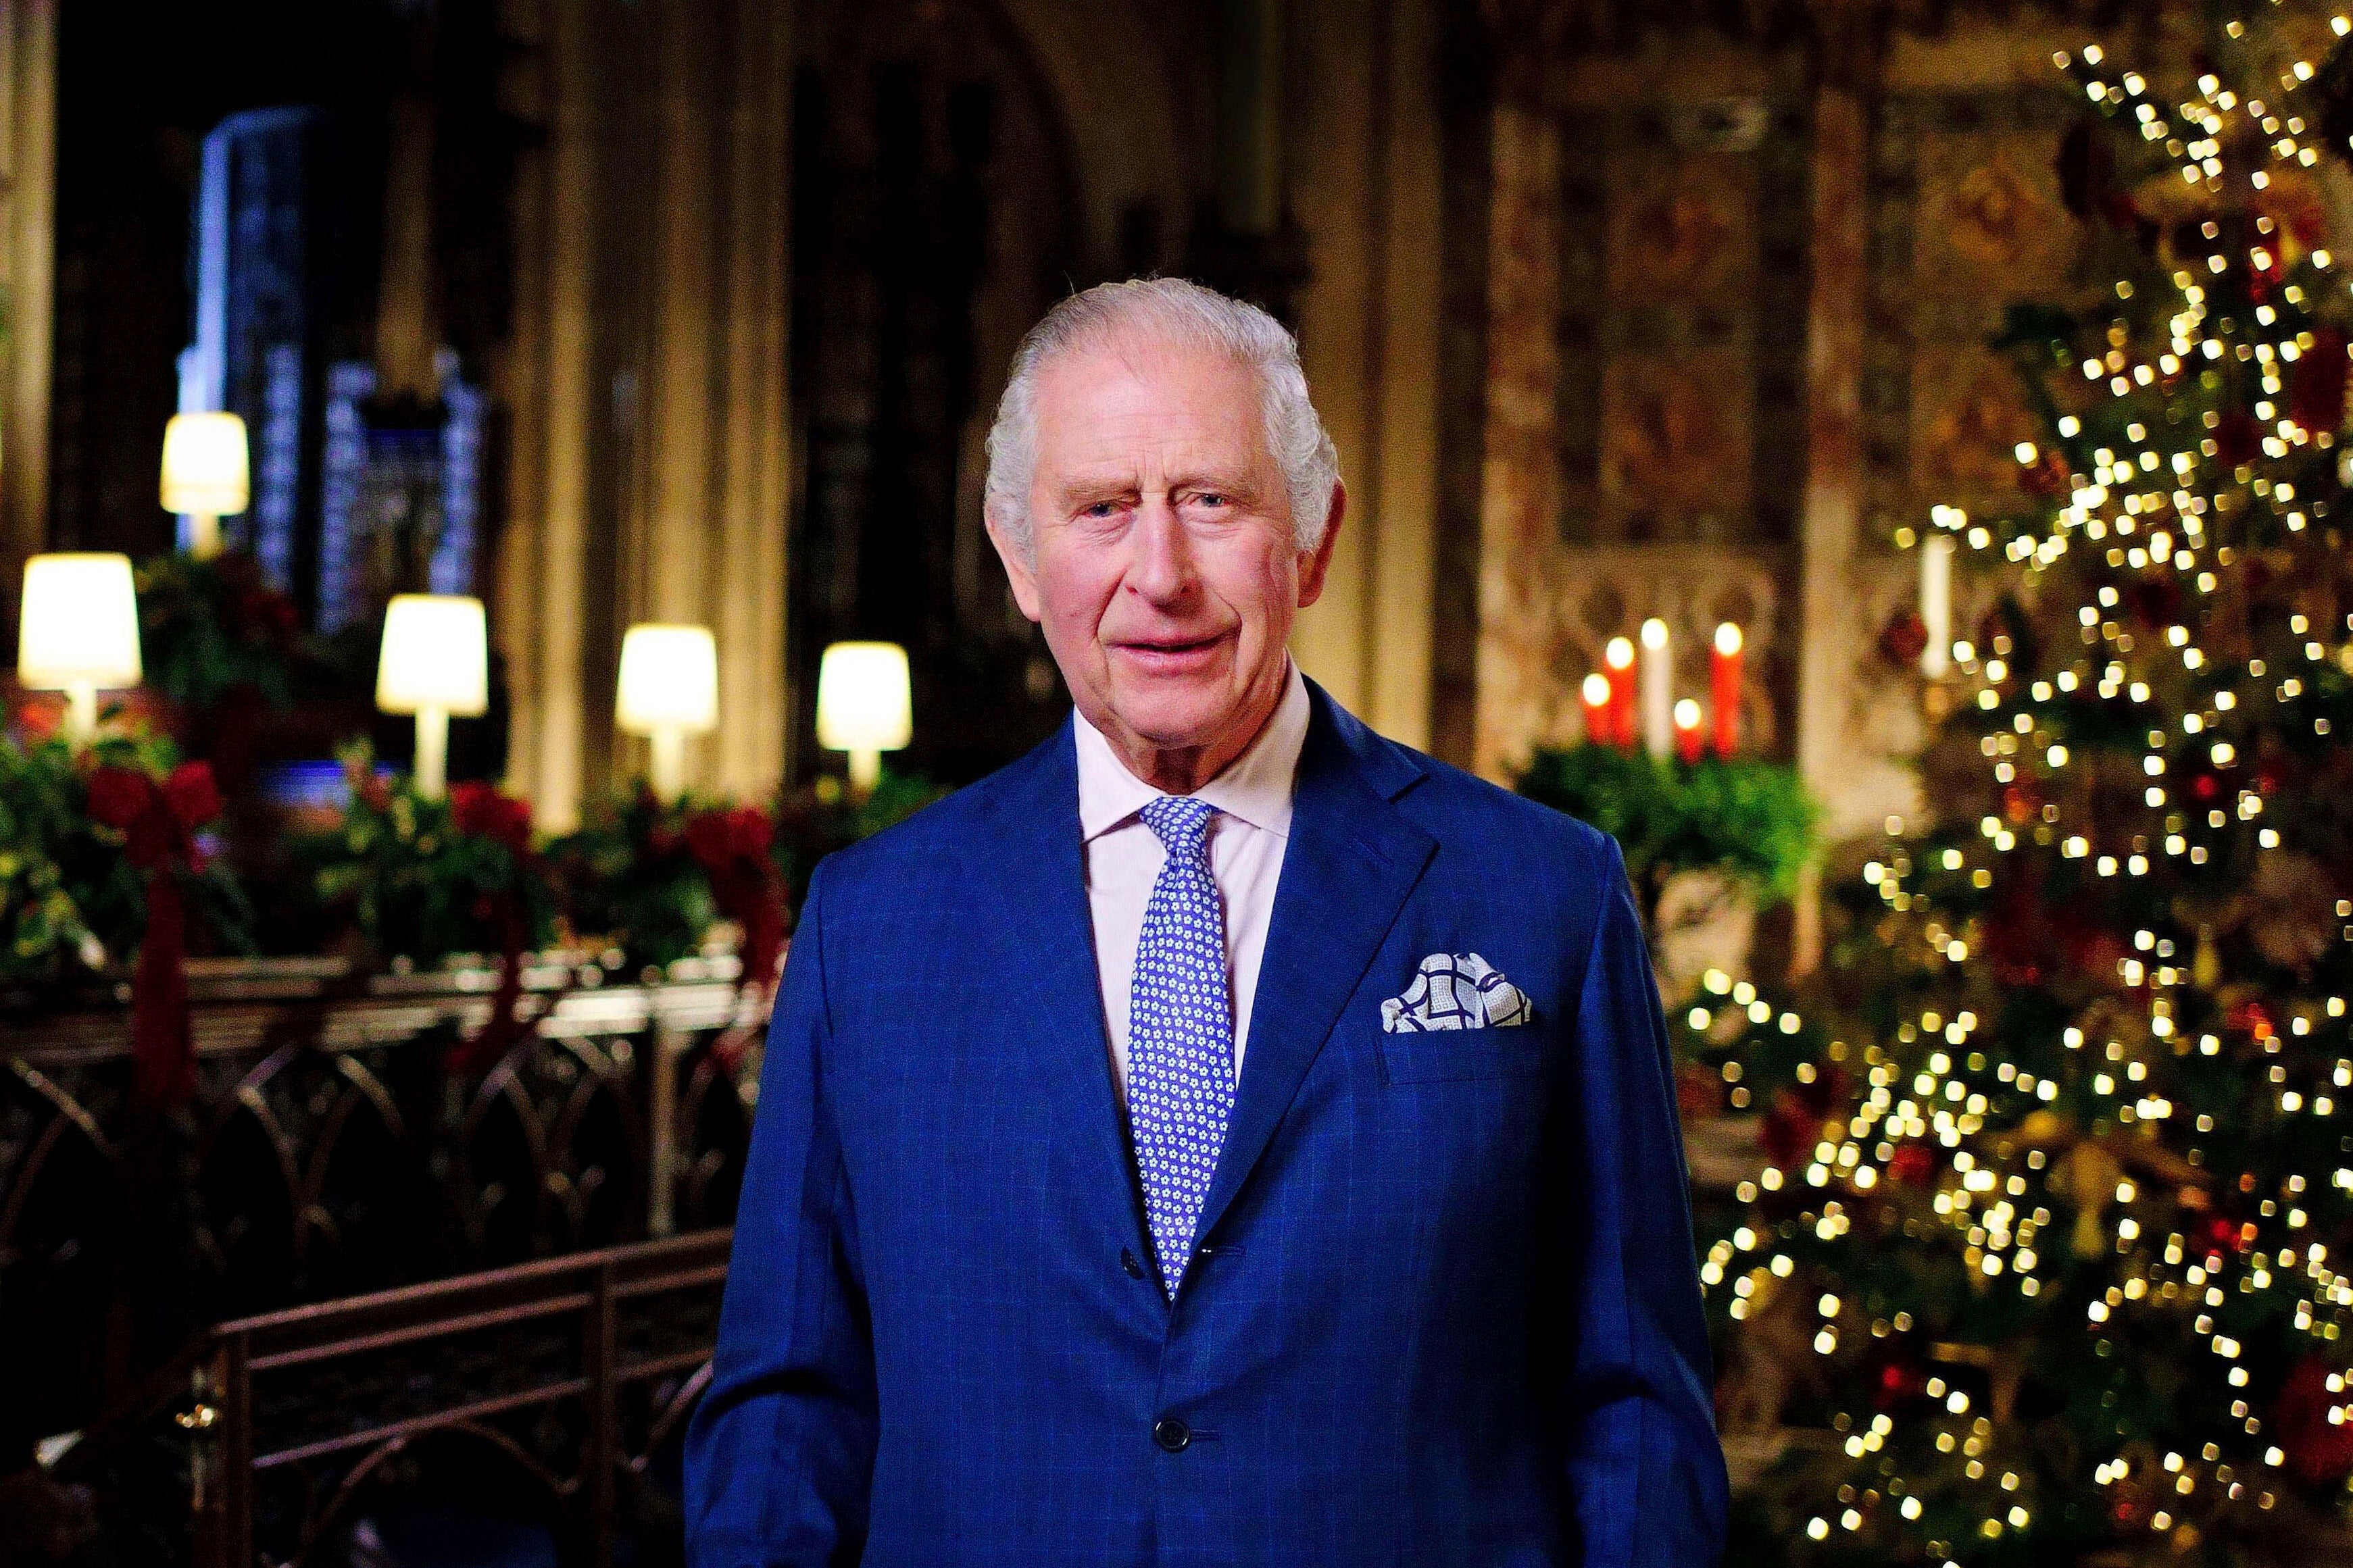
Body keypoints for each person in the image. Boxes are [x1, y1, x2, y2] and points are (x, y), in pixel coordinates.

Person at [684, 278, 1727, 1566]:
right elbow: (788, 1410)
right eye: (1101, 508)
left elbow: (1633, 1407)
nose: (1159, 575)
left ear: (1316, 538)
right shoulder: (871, 923)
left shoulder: (1542, 894)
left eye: (1212, 502)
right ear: (1015, 553)